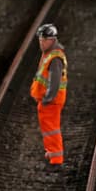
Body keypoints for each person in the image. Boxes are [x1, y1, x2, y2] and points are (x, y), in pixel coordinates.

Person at [29, 23, 67, 167]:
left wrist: (47, 99)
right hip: (48, 100)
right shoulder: (49, 54)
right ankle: (52, 152)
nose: (41, 43)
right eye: (40, 40)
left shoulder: (55, 58)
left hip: (51, 101)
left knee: (52, 129)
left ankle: (56, 159)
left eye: (43, 40)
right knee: (48, 128)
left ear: (51, 40)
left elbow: (55, 82)